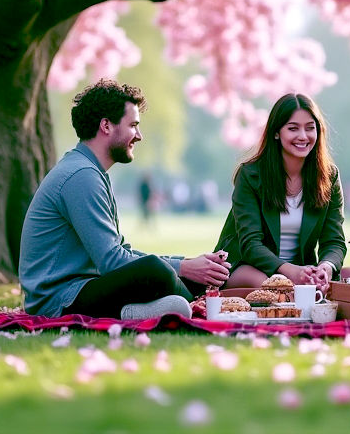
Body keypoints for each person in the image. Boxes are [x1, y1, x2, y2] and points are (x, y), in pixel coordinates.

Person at [18, 79, 230, 319]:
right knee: (155, 270)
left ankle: (140, 311)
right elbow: (113, 261)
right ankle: (197, 306)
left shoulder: (90, 171)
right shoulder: (81, 176)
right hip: (60, 300)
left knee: (174, 271)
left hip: (84, 288)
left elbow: (120, 251)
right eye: (133, 125)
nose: (139, 135)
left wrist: (187, 264)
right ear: (106, 125)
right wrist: (183, 269)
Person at [214, 93, 348, 293]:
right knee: (275, 287)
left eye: (310, 128)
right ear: (277, 132)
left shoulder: (329, 177)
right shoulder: (251, 175)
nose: (303, 136)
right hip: (248, 266)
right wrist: (291, 272)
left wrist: (326, 267)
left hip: (302, 269)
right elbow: (250, 244)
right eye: (293, 128)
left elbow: (334, 241)